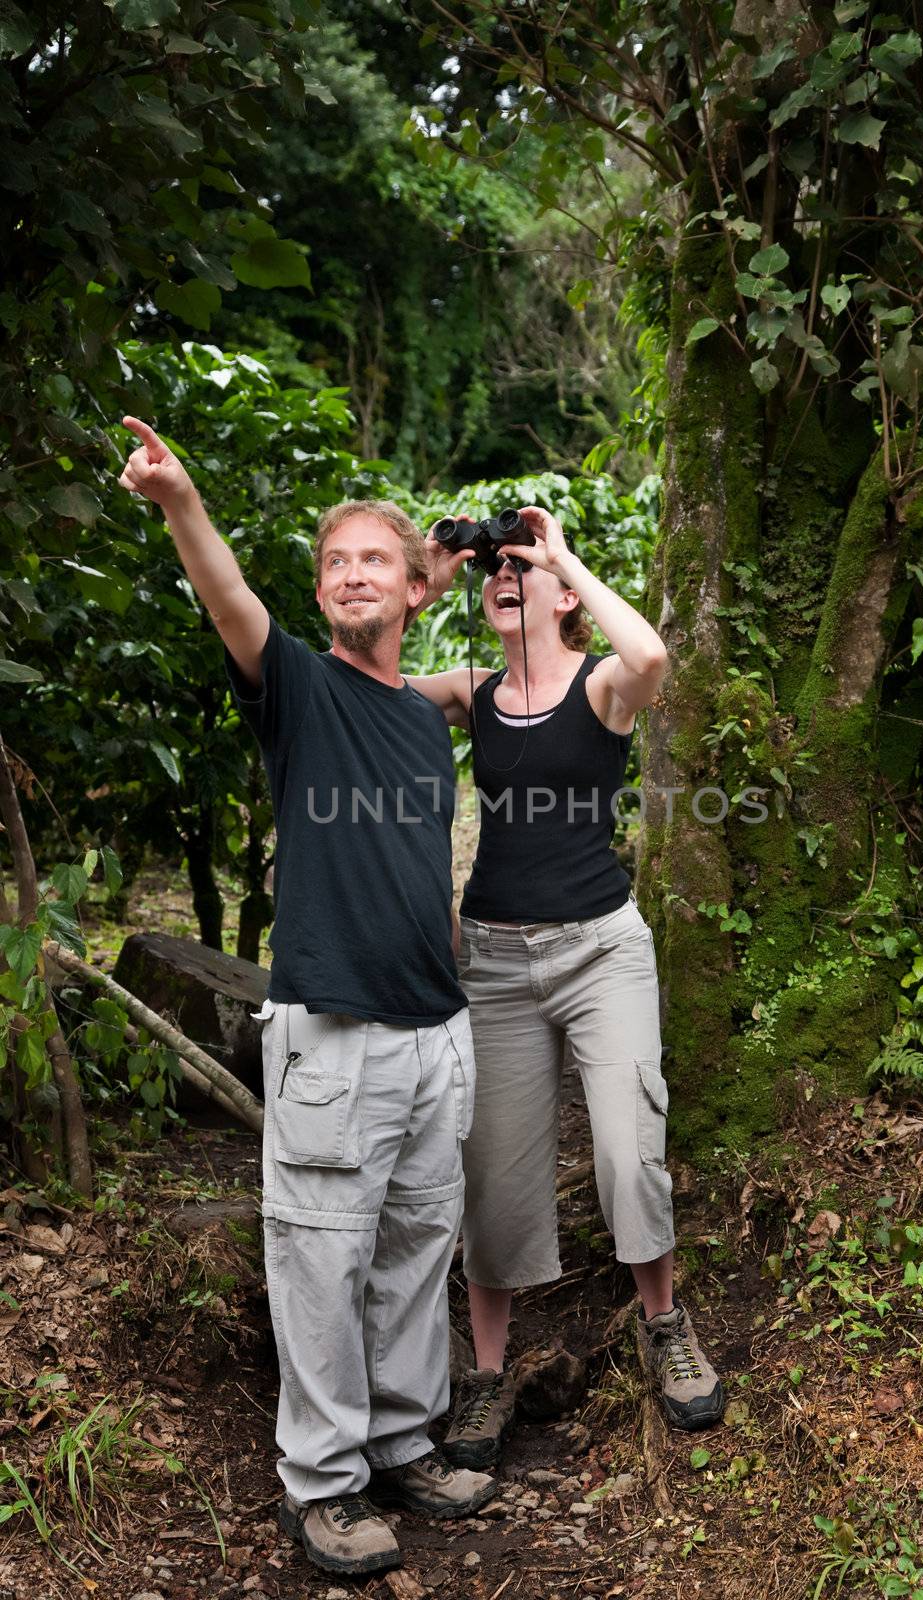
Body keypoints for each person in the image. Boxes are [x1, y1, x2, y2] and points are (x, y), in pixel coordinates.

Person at [117, 418, 495, 1579]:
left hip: (436, 1028)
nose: (350, 575)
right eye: (335, 563)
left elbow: (496, 674)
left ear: (411, 586)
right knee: (322, 1258)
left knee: (416, 1246)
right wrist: (181, 499)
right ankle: (323, 1483)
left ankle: (398, 1440)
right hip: (333, 1032)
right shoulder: (298, 687)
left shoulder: (422, 716)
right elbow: (229, 595)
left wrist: (467, 567)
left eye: (373, 560)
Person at [407, 505, 724, 1472]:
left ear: (558, 594)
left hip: (601, 951)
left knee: (630, 1152)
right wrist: (425, 575)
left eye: (519, 568)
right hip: (496, 968)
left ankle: (662, 1326)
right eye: (491, 570)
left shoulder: (601, 689)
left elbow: (655, 655)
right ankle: (489, 1378)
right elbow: (358, 683)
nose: (503, 578)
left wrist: (563, 555)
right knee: (492, 1183)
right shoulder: (471, 689)